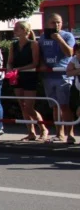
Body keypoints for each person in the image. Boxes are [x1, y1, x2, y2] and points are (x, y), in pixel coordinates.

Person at [38, 13, 77, 143]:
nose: (56, 25)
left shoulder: (67, 36)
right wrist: (42, 64)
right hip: (48, 76)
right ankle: (59, 134)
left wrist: (59, 40)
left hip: (63, 75)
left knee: (64, 105)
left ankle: (70, 134)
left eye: (59, 22)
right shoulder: (42, 37)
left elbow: (70, 53)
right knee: (55, 106)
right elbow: (39, 54)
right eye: (53, 22)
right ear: (47, 24)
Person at [7, 21, 45, 141]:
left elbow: (35, 63)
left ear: (25, 30)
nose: (15, 30)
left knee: (29, 107)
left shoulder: (33, 44)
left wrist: (19, 69)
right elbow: (10, 61)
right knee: (22, 106)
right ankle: (31, 132)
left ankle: (43, 128)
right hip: (17, 77)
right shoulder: (13, 45)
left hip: (30, 76)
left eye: (17, 28)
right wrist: (9, 68)